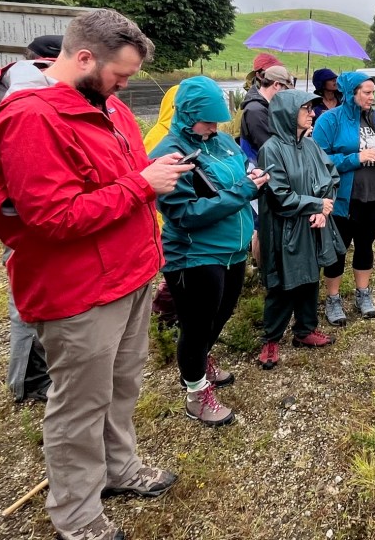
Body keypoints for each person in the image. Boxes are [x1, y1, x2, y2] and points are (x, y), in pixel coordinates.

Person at [0, 9, 191, 540]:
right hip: (80, 293)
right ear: (84, 57)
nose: (125, 85)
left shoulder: (108, 107)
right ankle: (77, 516)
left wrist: (152, 181)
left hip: (131, 273)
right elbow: (53, 217)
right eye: (120, 74)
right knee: (77, 405)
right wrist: (143, 186)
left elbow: (125, 178)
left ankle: (119, 468)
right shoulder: (33, 119)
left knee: (121, 386)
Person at [151, 77, 268, 425]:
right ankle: (195, 392)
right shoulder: (168, 154)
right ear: (187, 114)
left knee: (223, 311)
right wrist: (243, 191)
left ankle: (200, 361)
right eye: (208, 120)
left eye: (218, 120)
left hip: (232, 249)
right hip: (194, 254)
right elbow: (184, 214)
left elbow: (235, 178)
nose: (215, 126)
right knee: (197, 324)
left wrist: (253, 177)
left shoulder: (220, 143)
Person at [0, 35, 63, 404]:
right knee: (27, 292)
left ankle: (37, 371)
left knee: (36, 288)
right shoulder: (15, 94)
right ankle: (26, 380)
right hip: (22, 209)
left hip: (20, 203)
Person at [255, 90, 342, 369]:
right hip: (285, 229)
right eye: (306, 108)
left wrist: (324, 210)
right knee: (283, 281)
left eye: (311, 108)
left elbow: (332, 177)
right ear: (288, 114)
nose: (312, 113)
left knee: (310, 277)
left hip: (313, 226)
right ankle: (271, 338)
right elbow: (279, 195)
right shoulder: (271, 149)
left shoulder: (311, 145)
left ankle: (305, 330)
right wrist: (315, 205)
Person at [312, 71, 375, 325]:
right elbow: (319, 160)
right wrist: (355, 158)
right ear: (351, 93)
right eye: (367, 92)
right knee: (338, 249)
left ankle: (363, 294)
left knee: (366, 244)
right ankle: (333, 299)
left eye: (373, 92)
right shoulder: (329, 121)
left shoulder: (373, 119)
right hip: (345, 197)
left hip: (374, 193)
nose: (372, 97)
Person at [143, 84, 180, 327]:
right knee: (175, 272)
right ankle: (165, 314)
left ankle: (165, 311)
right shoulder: (160, 138)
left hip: (169, 215)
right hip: (162, 216)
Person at [240, 64, 295, 164]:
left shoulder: (267, 106)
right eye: (286, 89)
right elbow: (270, 149)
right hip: (260, 169)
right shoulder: (255, 111)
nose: (287, 94)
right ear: (276, 85)